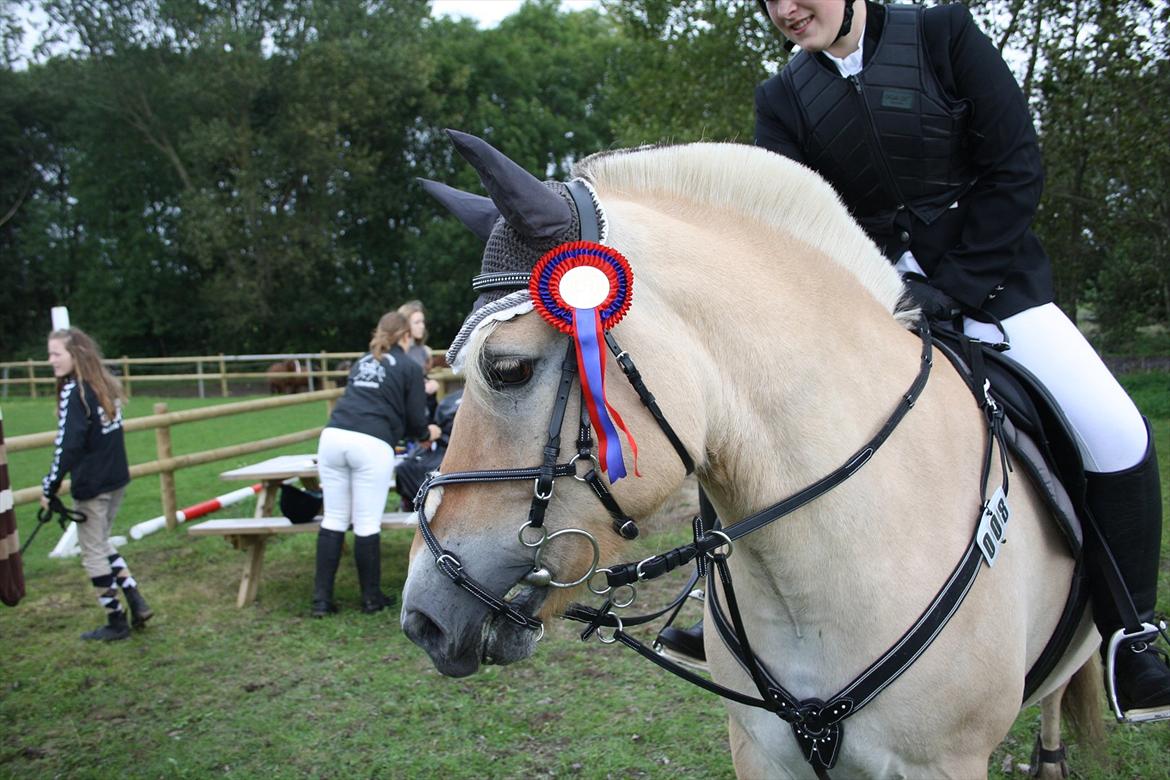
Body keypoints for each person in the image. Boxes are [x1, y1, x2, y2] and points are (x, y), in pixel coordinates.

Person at [664, 0, 1170, 718]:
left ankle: (1132, 640)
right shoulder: (781, 98)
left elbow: (1014, 166)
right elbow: (787, 221)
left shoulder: (943, 35)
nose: (784, 8)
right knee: (757, 421)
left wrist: (954, 287)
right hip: (875, 309)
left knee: (1116, 431)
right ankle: (716, 604)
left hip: (997, 291)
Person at [311, 311, 432, 617]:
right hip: (371, 443)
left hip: (333, 436)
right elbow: (417, 420)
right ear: (406, 336)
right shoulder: (409, 366)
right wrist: (428, 432)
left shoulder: (363, 361)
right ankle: (370, 599)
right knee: (366, 522)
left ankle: (321, 601)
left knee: (334, 518)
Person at [41, 328, 152, 641]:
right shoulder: (102, 384)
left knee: (92, 552)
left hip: (94, 484)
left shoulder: (74, 391)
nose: (50, 361)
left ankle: (116, 622)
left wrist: (49, 485)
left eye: (56, 354)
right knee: (101, 541)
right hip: (116, 477)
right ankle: (135, 600)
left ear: (75, 354)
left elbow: (69, 443)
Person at [394, 388, 462, 512]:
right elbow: (435, 424)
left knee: (435, 469)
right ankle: (412, 504)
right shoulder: (449, 400)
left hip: (460, 450)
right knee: (404, 467)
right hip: (441, 447)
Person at [397, 300, 441, 414]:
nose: (422, 326)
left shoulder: (423, 350)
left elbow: (421, 376)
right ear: (405, 325)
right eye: (417, 322)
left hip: (423, 404)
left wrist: (430, 383)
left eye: (422, 322)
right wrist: (423, 388)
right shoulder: (396, 351)